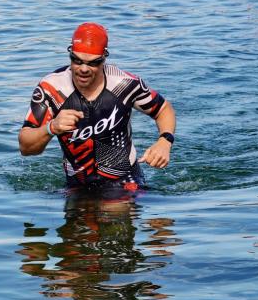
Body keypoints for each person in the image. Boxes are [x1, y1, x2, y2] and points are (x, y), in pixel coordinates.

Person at [18, 23, 176, 192]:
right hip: (77, 186)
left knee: (120, 205)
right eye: (76, 60)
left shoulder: (124, 84)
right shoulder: (51, 89)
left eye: (92, 63)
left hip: (124, 181)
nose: (83, 69)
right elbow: (25, 147)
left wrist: (165, 141)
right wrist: (51, 128)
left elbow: (163, 109)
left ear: (104, 58)